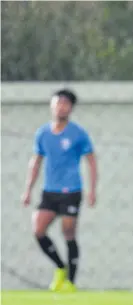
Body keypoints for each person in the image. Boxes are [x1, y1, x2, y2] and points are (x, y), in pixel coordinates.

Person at [21, 89, 97, 293]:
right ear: (52, 106)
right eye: (58, 103)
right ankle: (60, 267)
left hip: (71, 190)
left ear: (71, 108)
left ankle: (71, 281)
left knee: (69, 232)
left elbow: (91, 161)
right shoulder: (43, 133)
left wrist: (92, 190)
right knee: (38, 229)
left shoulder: (78, 133)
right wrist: (28, 189)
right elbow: (36, 161)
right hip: (49, 191)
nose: (61, 107)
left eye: (65, 104)